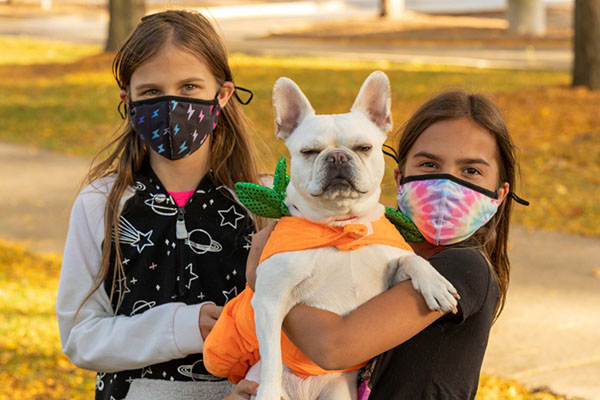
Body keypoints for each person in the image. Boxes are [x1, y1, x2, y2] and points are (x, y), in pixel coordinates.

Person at [228, 90, 529, 399]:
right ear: (400, 177)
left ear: (500, 193)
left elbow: (333, 348)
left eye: (471, 170)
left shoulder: (464, 268)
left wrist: (263, 281)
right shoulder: (382, 243)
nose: (446, 182)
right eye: (429, 164)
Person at [56, 10, 264, 400]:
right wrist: (184, 327)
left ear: (222, 95)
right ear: (128, 102)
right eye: (151, 92)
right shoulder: (101, 205)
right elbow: (79, 337)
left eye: (189, 87)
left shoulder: (262, 203)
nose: (172, 105)